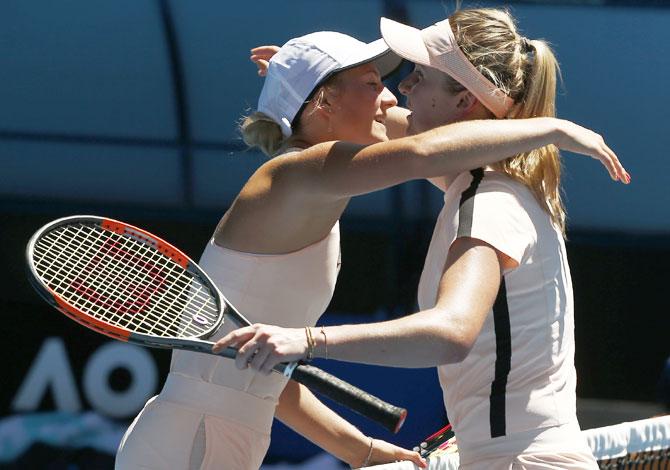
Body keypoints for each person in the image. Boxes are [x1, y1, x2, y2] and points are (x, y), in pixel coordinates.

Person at [117, 24, 627, 470]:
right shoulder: (294, 174)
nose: (392, 96)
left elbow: (261, 376)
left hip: (211, 437)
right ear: (324, 103)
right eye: (371, 84)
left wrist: (359, 448)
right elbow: (423, 149)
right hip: (194, 440)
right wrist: (555, 128)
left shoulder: (314, 184)